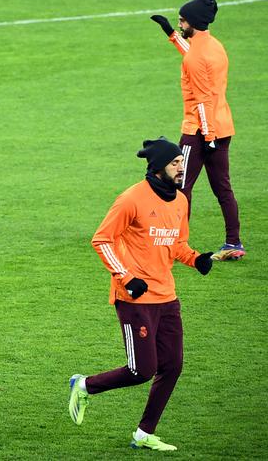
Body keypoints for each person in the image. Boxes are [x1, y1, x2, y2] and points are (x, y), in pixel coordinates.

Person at [67, 138, 213, 452]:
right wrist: (126, 277)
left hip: (167, 297)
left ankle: (144, 433)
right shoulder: (131, 199)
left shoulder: (180, 201)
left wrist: (196, 258)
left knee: (172, 365)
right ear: (159, 165)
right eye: (175, 163)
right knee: (141, 370)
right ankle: (83, 385)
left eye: (181, 163)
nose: (181, 168)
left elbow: (175, 244)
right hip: (134, 299)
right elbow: (102, 240)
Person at [150, 0, 242, 261]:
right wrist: (169, 33)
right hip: (223, 127)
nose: (180, 24)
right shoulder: (214, 46)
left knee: (181, 186)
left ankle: (177, 245)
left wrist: (207, 136)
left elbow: (202, 100)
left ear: (194, 22)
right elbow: (193, 55)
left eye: (182, 20)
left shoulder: (195, 58)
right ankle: (233, 242)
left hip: (199, 131)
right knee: (223, 188)